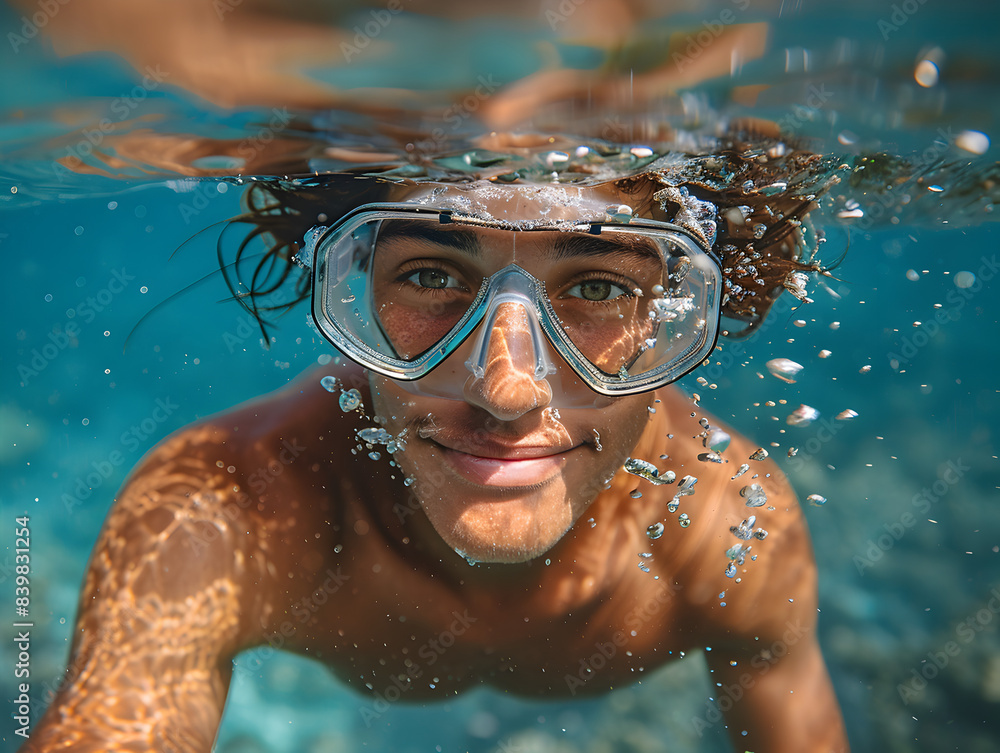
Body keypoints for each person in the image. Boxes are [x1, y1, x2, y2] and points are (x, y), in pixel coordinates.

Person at [22, 143, 850, 753]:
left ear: (668, 318)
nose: (507, 389)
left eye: (597, 288)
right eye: (429, 276)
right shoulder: (225, 501)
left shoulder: (728, 524)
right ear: (357, 293)